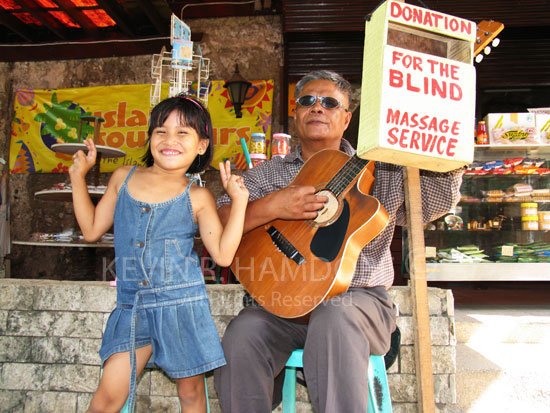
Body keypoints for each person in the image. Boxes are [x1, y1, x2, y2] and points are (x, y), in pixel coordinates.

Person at [213, 70, 464, 412]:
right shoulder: (268, 173)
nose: (318, 108)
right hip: (280, 304)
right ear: (296, 113)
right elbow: (221, 223)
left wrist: (447, 142)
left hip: (358, 304)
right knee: (243, 334)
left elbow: (433, 204)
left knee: (335, 316)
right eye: (307, 101)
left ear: (347, 118)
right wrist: (275, 204)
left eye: (330, 103)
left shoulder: (385, 169)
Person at [69, 95, 249, 413]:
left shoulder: (199, 196)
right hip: (132, 308)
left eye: (183, 133)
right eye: (161, 131)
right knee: (106, 398)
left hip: (183, 308)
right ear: (150, 137)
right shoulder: (122, 178)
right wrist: (77, 177)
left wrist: (239, 202)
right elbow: (91, 230)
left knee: (191, 395)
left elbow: (222, 255)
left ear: (202, 145)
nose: (170, 140)